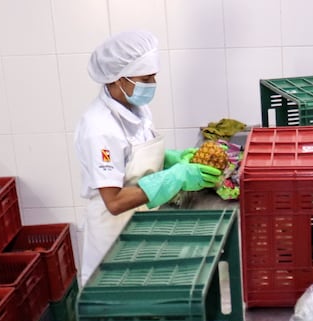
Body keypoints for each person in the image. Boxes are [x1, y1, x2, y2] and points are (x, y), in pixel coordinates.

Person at [74, 30, 221, 287]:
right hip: (113, 235)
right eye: (145, 78)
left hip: (139, 224)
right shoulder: (99, 128)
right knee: (120, 307)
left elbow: (132, 158)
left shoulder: (137, 108)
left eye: (154, 76)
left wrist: (170, 159)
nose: (152, 83)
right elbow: (115, 201)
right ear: (118, 79)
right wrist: (175, 178)